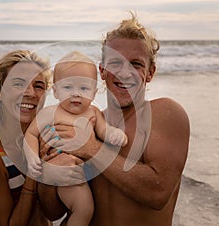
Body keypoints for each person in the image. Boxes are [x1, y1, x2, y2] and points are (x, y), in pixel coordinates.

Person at [38, 12, 190, 226]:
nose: (124, 72)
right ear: (102, 70)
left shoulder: (165, 113)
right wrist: (48, 172)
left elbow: (158, 191)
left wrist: (91, 148)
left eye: (136, 64)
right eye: (115, 62)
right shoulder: (88, 123)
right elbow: (54, 211)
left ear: (150, 72)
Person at [23, 51, 128, 226]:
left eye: (84, 88)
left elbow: (104, 130)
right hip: (60, 171)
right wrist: (32, 156)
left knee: (84, 210)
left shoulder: (93, 112)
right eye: (68, 87)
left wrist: (115, 134)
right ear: (55, 91)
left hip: (76, 174)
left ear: (94, 93)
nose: (76, 94)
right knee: (84, 209)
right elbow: (31, 134)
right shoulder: (50, 113)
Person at [0, 50, 55, 226]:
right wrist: (33, 173)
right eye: (19, 84)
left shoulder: (45, 140)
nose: (29, 93)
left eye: (38, 86)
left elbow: (54, 211)